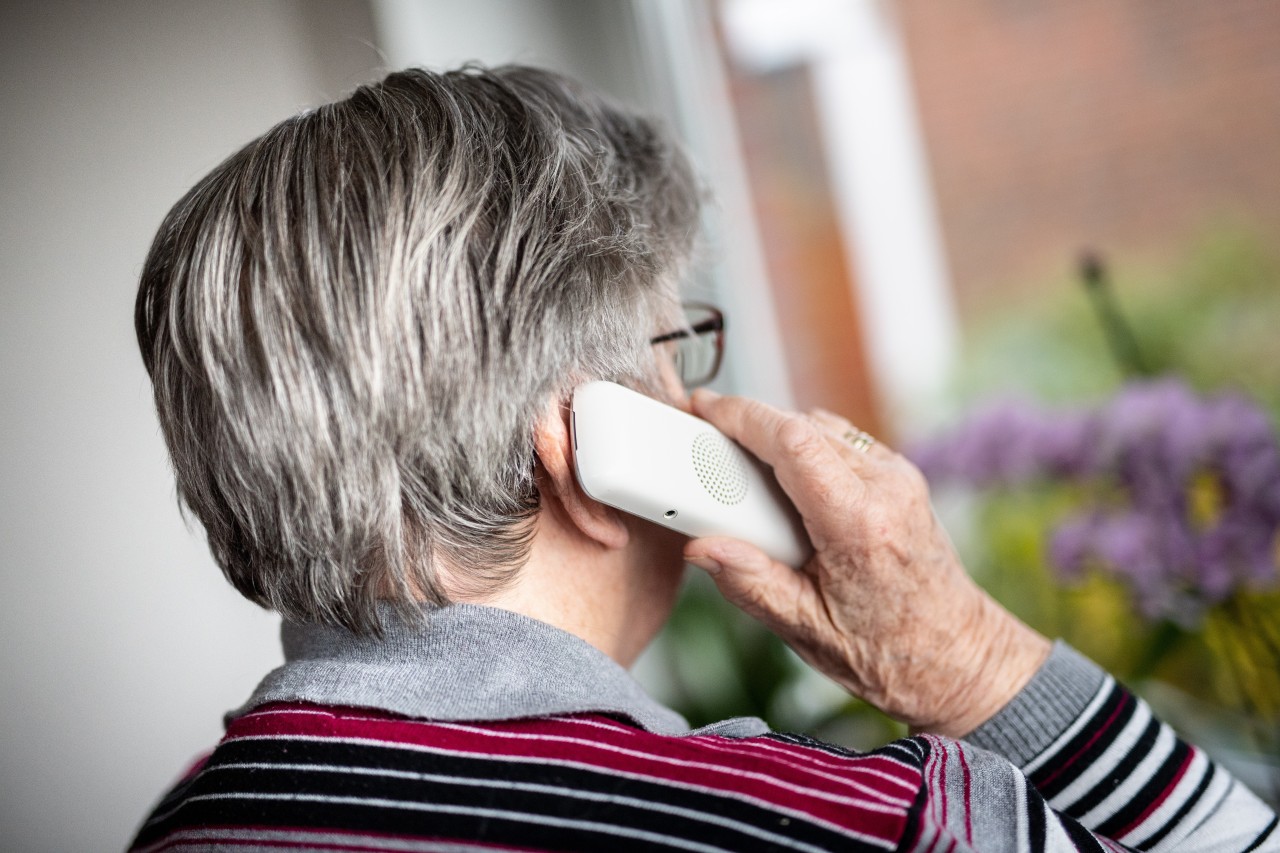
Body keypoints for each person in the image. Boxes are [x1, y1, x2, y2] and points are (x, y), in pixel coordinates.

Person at [129, 65, 1278, 852]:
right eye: (676, 348)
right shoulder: (861, 825)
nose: (700, 398)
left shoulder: (188, 819)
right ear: (579, 443)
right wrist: (968, 663)